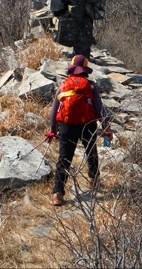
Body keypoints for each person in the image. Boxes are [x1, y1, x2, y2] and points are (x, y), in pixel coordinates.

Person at [45, 54, 113, 206]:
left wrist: (52, 130)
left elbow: (54, 109)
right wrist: (106, 128)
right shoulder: (91, 86)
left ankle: (58, 192)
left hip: (67, 126)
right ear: (85, 70)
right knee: (91, 151)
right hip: (87, 124)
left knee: (64, 158)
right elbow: (100, 109)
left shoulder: (63, 85)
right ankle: (94, 180)